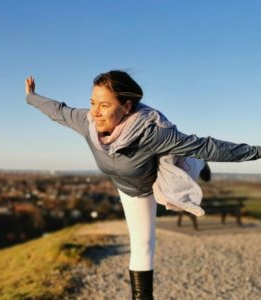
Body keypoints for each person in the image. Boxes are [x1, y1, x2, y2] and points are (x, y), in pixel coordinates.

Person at [25, 70, 260, 300]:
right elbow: (58, 110)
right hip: (130, 190)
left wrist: (257, 152)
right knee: (142, 245)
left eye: (104, 105)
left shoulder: (153, 133)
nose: (95, 112)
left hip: (157, 177)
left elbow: (208, 146)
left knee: (192, 161)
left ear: (126, 107)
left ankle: (201, 166)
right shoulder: (88, 123)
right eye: (92, 102)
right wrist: (31, 97)